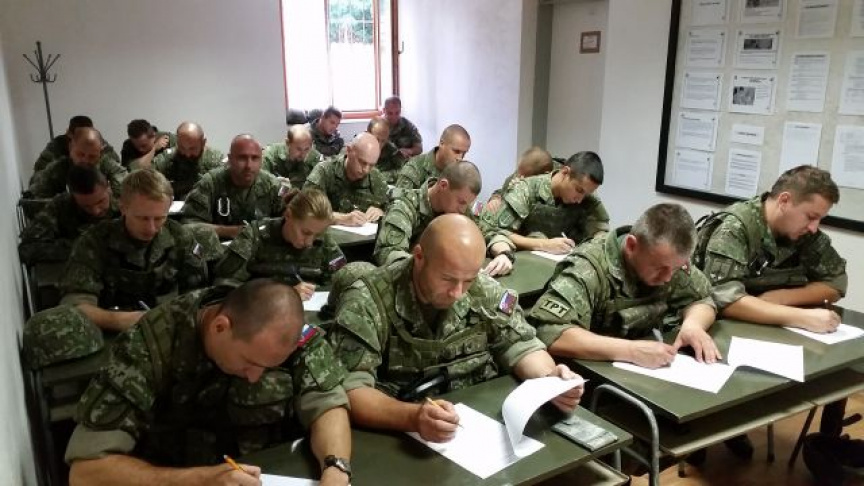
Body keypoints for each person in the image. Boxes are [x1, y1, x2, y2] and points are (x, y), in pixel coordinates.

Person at [65, 279, 352, 486]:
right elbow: (86, 472)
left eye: (269, 367)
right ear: (220, 327)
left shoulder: (280, 331)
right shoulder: (146, 347)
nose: (255, 377)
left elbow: (327, 401)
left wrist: (336, 467)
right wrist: (200, 479)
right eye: (249, 362)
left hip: (271, 468)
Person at [327, 214, 584, 443]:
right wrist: (413, 417)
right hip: (399, 431)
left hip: (480, 425)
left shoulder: (483, 288)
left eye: (468, 280)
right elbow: (352, 391)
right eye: (448, 279)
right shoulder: (367, 300)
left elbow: (521, 343)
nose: (458, 293)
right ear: (419, 257)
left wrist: (549, 379)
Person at [693, 165, 848, 436]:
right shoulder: (735, 228)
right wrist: (803, 317)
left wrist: (782, 298)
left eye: (820, 219)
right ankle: (711, 438)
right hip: (711, 329)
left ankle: (828, 445)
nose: (814, 228)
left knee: (840, 370)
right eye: (811, 217)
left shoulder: (804, 234)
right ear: (785, 201)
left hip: (764, 328)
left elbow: (836, 282)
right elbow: (725, 300)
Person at [22, 170, 208, 369]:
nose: (152, 228)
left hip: (167, 333)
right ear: (122, 207)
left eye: (160, 218)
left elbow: (201, 295)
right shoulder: (94, 242)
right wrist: (123, 320)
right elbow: (76, 306)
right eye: (143, 218)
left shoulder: (181, 238)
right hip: (111, 338)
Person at [527, 203, 719, 368]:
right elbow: (549, 330)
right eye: (659, 268)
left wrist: (693, 325)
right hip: (587, 373)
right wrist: (631, 351)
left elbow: (703, 298)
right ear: (631, 246)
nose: (668, 277)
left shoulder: (668, 262)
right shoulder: (588, 268)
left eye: (676, 268)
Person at [481, 151, 609, 277]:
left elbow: (602, 235)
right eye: (579, 190)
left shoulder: (586, 196)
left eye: (586, 194)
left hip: (562, 271)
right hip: (520, 268)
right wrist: (544, 244)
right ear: (565, 172)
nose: (580, 199)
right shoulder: (526, 189)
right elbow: (496, 231)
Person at [214, 188, 346, 300]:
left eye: (317, 235)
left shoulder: (324, 240)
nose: (309, 242)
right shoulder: (255, 236)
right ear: (288, 215)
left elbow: (343, 281)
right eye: (305, 232)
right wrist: (282, 295)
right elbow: (224, 287)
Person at [373, 160, 483, 266]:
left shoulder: (457, 209)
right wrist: (432, 269)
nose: (463, 210)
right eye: (461, 202)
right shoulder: (405, 206)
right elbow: (389, 255)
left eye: (467, 204)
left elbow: (483, 232)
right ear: (443, 186)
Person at [181, 134, 286, 239]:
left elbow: (288, 221)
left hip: (261, 246)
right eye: (242, 158)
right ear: (230, 159)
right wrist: (230, 231)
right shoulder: (211, 183)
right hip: (220, 246)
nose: (248, 166)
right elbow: (189, 225)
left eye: (255, 158)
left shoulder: (272, 185)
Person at [19, 166, 118, 265]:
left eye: (100, 201)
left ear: (109, 188)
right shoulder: (61, 206)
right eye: (86, 206)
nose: (96, 211)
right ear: (73, 197)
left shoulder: (124, 208)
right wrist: (81, 247)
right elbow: (28, 248)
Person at [304, 132, 388, 227]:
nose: (366, 170)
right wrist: (341, 218)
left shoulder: (376, 178)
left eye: (371, 165)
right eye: (362, 162)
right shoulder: (325, 171)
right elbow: (305, 210)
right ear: (348, 151)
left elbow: (394, 207)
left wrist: (381, 212)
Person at [29, 127, 128, 198]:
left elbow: (126, 195)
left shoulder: (108, 165)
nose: (85, 160)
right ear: (71, 148)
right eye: (80, 154)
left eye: (92, 156)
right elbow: (35, 199)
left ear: (100, 153)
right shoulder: (58, 168)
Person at [151, 122, 226, 199]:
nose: (187, 154)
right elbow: (147, 178)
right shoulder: (169, 157)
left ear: (203, 143)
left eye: (192, 148)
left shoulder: (215, 160)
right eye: (182, 148)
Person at [32, 115, 120, 173]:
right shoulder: (57, 145)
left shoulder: (98, 143)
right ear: (68, 133)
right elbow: (40, 170)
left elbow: (116, 164)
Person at [394, 124, 470, 191]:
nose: (460, 158)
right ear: (442, 143)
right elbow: (398, 201)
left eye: (464, 153)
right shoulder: (414, 169)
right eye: (456, 151)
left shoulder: (458, 174)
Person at [485, 147, 558, 213]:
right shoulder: (521, 173)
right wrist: (495, 199)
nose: (520, 179)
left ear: (544, 175)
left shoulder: (556, 197)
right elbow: (501, 191)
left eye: (525, 177)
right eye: (519, 175)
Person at [366, 116, 407, 184]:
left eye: (383, 141)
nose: (379, 145)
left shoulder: (391, 148)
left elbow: (404, 169)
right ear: (368, 134)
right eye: (377, 139)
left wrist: (382, 176)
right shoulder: (358, 146)